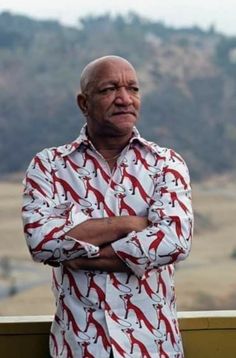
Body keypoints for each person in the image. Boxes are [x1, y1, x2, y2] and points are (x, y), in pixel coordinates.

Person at [22, 55, 193, 358]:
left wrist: (79, 251)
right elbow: (42, 243)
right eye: (109, 89)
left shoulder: (166, 163)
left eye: (133, 89)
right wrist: (129, 224)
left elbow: (175, 242)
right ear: (83, 103)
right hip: (78, 347)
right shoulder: (48, 166)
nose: (125, 99)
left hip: (154, 346)